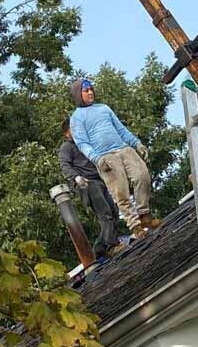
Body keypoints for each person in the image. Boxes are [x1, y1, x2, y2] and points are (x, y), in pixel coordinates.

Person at [69, 78, 162, 237]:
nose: (90, 92)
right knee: (121, 191)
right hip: (105, 157)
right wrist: (96, 158)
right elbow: (82, 143)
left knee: (142, 176)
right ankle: (135, 226)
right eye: (86, 91)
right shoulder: (77, 118)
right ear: (79, 94)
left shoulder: (104, 108)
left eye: (91, 89)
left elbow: (120, 128)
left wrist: (136, 143)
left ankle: (144, 214)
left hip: (123, 148)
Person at [58, 117, 124, 258]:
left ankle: (100, 248)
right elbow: (64, 165)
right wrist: (76, 177)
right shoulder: (67, 147)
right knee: (105, 213)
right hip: (87, 183)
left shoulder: (85, 143)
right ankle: (111, 246)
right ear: (67, 133)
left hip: (100, 180)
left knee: (114, 212)